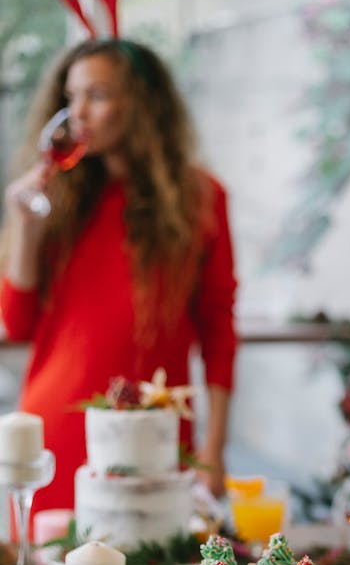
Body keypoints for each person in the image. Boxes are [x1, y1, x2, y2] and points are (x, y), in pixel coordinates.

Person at [0, 38, 237, 514]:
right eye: (71, 97)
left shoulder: (201, 198)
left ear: (143, 106)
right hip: (60, 431)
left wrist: (214, 450)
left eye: (98, 95)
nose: (78, 112)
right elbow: (17, 324)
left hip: (157, 438)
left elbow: (218, 330)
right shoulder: (57, 198)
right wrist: (23, 228)